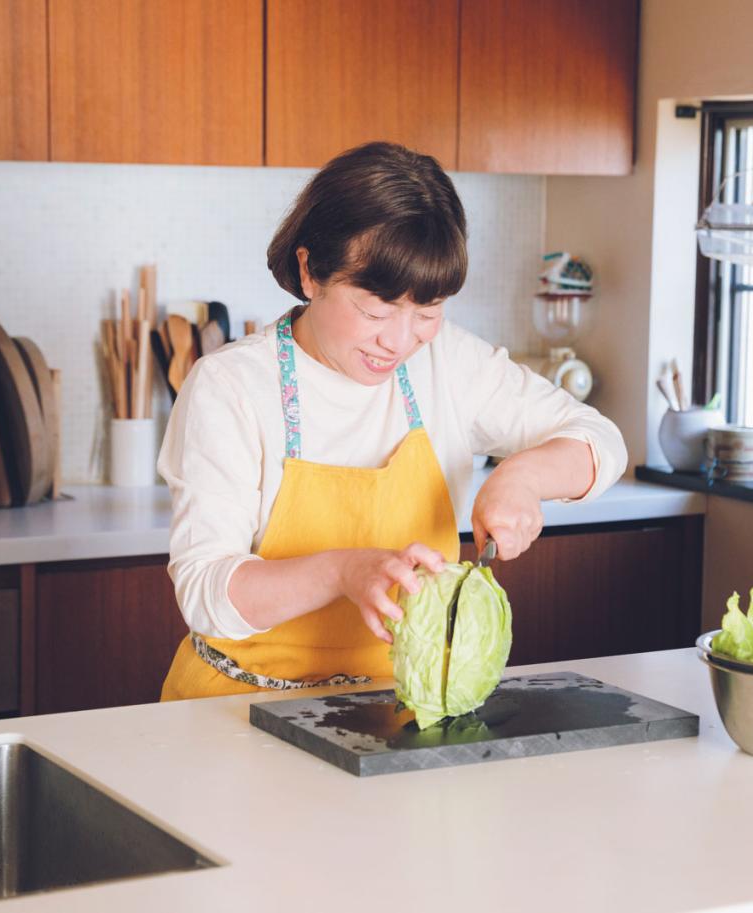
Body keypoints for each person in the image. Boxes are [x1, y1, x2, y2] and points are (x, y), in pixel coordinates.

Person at [158, 142, 627, 700]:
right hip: (237, 709)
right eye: (375, 311)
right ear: (311, 272)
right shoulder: (230, 386)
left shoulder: (447, 363)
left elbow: (601, 440)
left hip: (399, 708)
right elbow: (206, 592)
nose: (400, 342)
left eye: (427, 313)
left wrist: (524, 477)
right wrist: (341, 572)